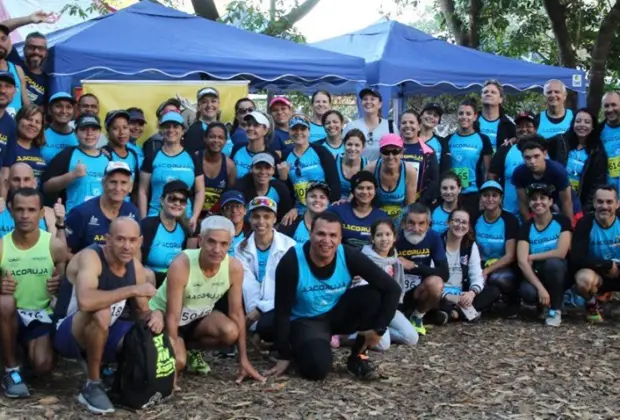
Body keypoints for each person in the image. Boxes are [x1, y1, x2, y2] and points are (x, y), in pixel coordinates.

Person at [265, 212, 401, 381]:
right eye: (321, 234)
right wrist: (283, 354)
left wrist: (379, 329)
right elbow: (282, 311)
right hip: (306, 319)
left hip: (336, 312)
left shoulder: (349, 255)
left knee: (374, 295)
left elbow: (392, 288)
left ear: (340, 238)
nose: (327, 241)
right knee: (317, 369)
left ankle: (358, 357)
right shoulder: (292, 261)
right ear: (310, 234)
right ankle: (296, 346)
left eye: (333, 235)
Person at [53, 218, 161, 414]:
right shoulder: (91, 257)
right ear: (108, 239)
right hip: (69, 333)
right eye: (120, 239)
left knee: (144, 331)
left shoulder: (135, 266)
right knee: (101, 311)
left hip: (107, 329)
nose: (127, 246)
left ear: (139, 241)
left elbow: (142, 310)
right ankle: (92, 385)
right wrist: (132, 290)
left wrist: (157, 316)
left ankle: (120, 376)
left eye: (132, 240)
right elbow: (86, 302)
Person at [148, 216, 264, 385]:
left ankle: (191, 349)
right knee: (178, 362)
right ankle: (180, 351)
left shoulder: (234, 267)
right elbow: (173, 315)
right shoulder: (182, 263)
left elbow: (237, 313)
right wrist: (172, 367)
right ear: (200, 241)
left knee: (231, 331)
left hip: (197, 319)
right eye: (211, 242)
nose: (217, 249)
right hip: (165, 319)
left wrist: (243, 360)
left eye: (223, 244)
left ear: (230, 244)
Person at [0, 187, 67, 398]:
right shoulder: (2, 246)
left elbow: (65, 285)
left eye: (31, 210)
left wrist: (59, 286)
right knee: (5, 302)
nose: (25, 215)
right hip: (8, 315)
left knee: (43, 366)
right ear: (11, 210)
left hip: (40, 315)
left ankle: (20, 353)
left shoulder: (54, 246)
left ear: (41, 213)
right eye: (19, 209)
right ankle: (11, 370)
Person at [235, 197, 295, 343]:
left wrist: (261, 310)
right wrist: (253, 314)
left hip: (279, 303)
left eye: (266, 217)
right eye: (256, 217)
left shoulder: (289, 246)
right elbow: (248, 284)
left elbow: (290, 287)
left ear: (275, 219)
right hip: (252, 303)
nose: (261, 222)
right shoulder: (241, 248)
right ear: (249, 219)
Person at [138, 111, 204, 232]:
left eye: (175, 126)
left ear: (183, 131)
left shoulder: (192, 158)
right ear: (161, 130)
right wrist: (143, 218)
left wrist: (194, 216)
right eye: (167, 126)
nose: (171, 130)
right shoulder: (152, 157)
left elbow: (200, 191)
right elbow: (143, 191)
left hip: (184, 218)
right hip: (155, 217)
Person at [517, 183, 572, 327]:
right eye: (534, 199)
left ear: (551, 202)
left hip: (561, 272)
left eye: (543, 198)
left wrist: (534, 256)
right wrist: (540, 288)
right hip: (537, 275)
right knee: (527, 291)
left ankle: (555, 309)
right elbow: (522, 261)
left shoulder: (561, 221)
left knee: (553, 263)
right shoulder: (526, 227)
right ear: (529, 203)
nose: (538, 202)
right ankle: (543, 304)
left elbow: (561, 253)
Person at [360, 219, 418, 349]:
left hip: (388, 306)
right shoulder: (364, 258)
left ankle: (380, 333)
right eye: (379, 235)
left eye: (388, 234)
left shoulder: (394, 259)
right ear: (373, 239)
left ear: (394, 237)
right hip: (371, 308)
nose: (384, 239)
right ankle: (352, 334)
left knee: (411, 338)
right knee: (383, 345)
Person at [437, 208, 500, 322]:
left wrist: (471, 293)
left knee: (493, 292)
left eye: (464, 222)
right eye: (456, 221)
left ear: (468, 226)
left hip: (461, 292)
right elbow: (430, 275)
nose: (460, 225)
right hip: (441, 292)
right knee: (430, 296)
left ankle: (453, 312)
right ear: (448, 222)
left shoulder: (470, 245)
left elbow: (476, 274)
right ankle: (455, 311)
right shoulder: (437, 243)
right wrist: (449, 296)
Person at [65, 161, 139, 254]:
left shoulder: (133, 212)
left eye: (123, 183)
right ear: (103, 183)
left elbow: (136, 251)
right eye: (113, 182)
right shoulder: (81, 213)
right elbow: (65, 253)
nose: (118, 188)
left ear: (130, 187)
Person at [397, 203, 449, 334]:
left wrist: (414, 266)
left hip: (418, 290)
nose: (416, 228)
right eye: (411, 223)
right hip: (395, 288)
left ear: (428, 224)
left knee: (436, 283)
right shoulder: (393, 236)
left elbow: (444, 273)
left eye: (421, 224)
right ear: (403, 222)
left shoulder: (434, 237)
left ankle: (417, 316)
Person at [43, 113, 110, 212]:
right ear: (75, 133)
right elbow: (46, 187)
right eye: (84, 129)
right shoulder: (67, 155)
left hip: (101, 219)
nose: (89, 133)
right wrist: (72, 175)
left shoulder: (107, 159)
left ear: (100, 132)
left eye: (94, 129)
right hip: (73, 219)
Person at [572, 185, 620, 323]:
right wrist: (606, 265)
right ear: (594, 203)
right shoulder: (585, 223)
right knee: (583, 280)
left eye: (609, 202)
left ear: (617, 204)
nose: (604, 206)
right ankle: (592, 304)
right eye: (600, 202)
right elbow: (576, 258)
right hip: (597, 272)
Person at [442, 98, 493, 218]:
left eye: (468, 114)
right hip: (451, 194)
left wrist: (483, 195)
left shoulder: (483, 139)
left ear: (475, 116)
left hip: (473, 193)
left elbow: (487, 171)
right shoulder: (448, 140)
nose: (464, 117)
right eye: (461, 113)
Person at [475, 181, 520, 316]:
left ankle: (512, 302)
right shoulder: (475, 218)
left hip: (503, 265)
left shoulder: (509, 219)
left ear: (501, 199)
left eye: (494, 195)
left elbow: (510, 255)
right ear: (481, 198)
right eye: (486, 195)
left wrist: (487, 270)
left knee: (498, 278)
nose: (490, 199)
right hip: (481, 263)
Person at [281, 114, 340, 218]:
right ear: (289, 132)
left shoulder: (321, 151)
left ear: (309, 131)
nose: (299, 133)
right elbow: (285, 190)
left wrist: (329, 207)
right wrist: (283, 178)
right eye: (294, 129)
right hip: (298, 211)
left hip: (323, 207)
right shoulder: (285, 155)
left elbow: (334, 183)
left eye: (303, 129)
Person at [512, 139, 576, 224]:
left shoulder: (557, 171)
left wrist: (569, 228)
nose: (532, 161)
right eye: (527, 157)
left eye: (536, 156)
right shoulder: (519, 172)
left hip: (565, 207)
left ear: (545, 154)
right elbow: (523, 203)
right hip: (537, 207)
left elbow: (566, 202)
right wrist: (528, 229)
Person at [140, 180, 190, 287]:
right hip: (149, 280)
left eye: (182, 201)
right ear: (162, 200)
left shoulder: (184, 229)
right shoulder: (147, 225)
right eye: (172, 199)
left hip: (173, 281)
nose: (177, 203)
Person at [489, 111, 538, 216]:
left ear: (535, 129)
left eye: (528, 125)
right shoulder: (505, 149)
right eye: (519, 126)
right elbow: (492, 176)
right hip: (509, 213)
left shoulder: (543, 149)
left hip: (537, 213)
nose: (524, 129)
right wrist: (495, 201)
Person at [0, 163, 65, 239]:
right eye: (16, 180)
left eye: (26, 179)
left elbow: (58, 249)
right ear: (7, 184)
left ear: (35, 183)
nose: (22, 185)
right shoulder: (1, 212)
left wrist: (60, 223)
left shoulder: (47, 214)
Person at [560, 108, 607, 212]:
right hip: (559, 203)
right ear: (573, 124)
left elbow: (598, 183)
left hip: (582, 206)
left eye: (587, 122)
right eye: (578, 121)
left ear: (593, 127)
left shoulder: (597, 151)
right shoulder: (562, 143)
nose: (582, 125)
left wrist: (586, 209)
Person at [364, 134, 418, 223]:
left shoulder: (410, 172)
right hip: (374, 219)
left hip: (399, 221)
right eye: (386, 152)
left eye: (395, 152)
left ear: (401, 153)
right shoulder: (370, 169)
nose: (391, 156)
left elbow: (410, 205)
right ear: (380, 153)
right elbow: (359, 194)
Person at [329, 171, 388, 247]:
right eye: (360, 188)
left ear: (375, 191)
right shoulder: (338, 210)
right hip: (342, 256)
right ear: (353, 190)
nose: (365, 192)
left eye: (369, 188)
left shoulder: (381, 216)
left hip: (369, 258)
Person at [233, 153, 292, 222]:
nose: (263, 172)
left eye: (267, 168)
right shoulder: (240, 188)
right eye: (258, 167)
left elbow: (284, 216)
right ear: (251, 169)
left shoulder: (280, 188)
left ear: (273, 170)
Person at [1, 105, 46, 191]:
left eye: (37, 122)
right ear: (18, 120)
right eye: (29, 119)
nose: (33, 124)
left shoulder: (40, 149)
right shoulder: (8, 147)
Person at [399, 109, 439, 205]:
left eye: (412, 122)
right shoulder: (391, 149)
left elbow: (434, 180)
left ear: (419, 126)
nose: (408, 125)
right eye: (404, 123)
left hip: (419, 203)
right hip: (395, 202)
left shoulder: (428, 151)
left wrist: (422, 202)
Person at [343, 88, 395, 161]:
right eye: (365, 99)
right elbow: (344, 152)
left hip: (382, 171)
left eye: (372, 99)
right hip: (357, 171)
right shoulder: (351, 126)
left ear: (380, 104)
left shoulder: (391, 126)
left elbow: (397, 151)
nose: (368, 102)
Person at [200, 122, 236, 216]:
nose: (216, 140)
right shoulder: (195, 159)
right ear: (205, 138)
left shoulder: (230, 166)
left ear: (225, 141)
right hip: (193, 213)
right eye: (212, 136)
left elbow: (229, 196)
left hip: (217, 216)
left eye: (221, 137)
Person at [183, 87, 233, 156]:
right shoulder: (194, 131)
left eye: (213, 101)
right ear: (198, 106)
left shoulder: (223, 128)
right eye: (204, 102)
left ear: (218, 104)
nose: (209, 105)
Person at [230, 111, 276, 179]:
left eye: (256, 125)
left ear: (265, 130)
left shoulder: (273, 155)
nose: (250, 128)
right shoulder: (237, 147)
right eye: (248, 124)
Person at [103, 110, 140, 187]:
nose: (122, 132)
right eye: (115, 128)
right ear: (108, 131)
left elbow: (135, 185)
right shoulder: (103, 153)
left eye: (125, 127)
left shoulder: (132, 154)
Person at [477, 80, 516, 151]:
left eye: (493, 92)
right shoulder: (472, 120)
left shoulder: (509, 124)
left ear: (500, 99)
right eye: (485, 92)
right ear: (481, 98)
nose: (488, 94)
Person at [41, 92, 77, 164]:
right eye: (58, 106)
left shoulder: (79, 135)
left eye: (68, 107)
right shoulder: (40, 133)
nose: (64, 111)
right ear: (50, 110)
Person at [0, 25, 28, 116]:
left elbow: (26, 102)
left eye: (3, 39)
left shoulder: (18, 70)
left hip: (13, 128)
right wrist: (29, 19)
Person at [336, 129, 367, 200]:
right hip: (334, 205)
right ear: (344, 144)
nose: (353, 148)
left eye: (357, 145)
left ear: (363, 147)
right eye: (349, 144)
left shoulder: (367, 165)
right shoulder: (334, 161)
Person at [600, 91, 620, 197]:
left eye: (614, 105)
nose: (610, 109)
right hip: (608, 196)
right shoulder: (597, 132)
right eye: (606, 106)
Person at [219, 190, 250, 256]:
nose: (234, 210)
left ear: (245, 210)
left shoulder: (252, 233)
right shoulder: (216, 234)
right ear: (222, 212)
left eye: (238, 206)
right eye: (228, 207)